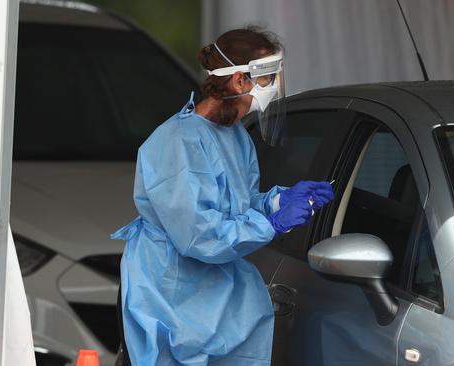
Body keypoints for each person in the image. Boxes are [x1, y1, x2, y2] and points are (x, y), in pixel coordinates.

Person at [111, 27, 334, 366]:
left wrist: (277, 201)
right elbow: (201, 235)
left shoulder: (234, 136)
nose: (272, 89)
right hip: (170, 297)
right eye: (267, 79)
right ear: (239, 81)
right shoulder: (178, 143)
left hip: (211, 295)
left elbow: (237, 205)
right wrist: (271, 224)